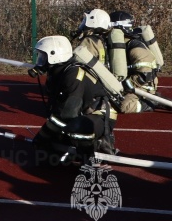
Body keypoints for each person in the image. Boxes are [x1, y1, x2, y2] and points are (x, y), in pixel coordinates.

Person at [31, 35, 117, 163]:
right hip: (82, 113)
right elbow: (57, 109)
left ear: (54, 56)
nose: (40, 60)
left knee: (78, 127)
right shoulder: (58, 73)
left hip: (98, 115)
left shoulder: (73, 74)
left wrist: (44, 135)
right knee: (47, 154)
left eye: (43, 56)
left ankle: (92, 155)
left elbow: (68, 113)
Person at [110, 11, 159, 113]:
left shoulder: (134, 47)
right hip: (130, 84)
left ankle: (152, 102)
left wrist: (123, 85)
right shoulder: (121, 44)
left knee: (124, 106)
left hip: (142, 87)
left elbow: (145, 75)